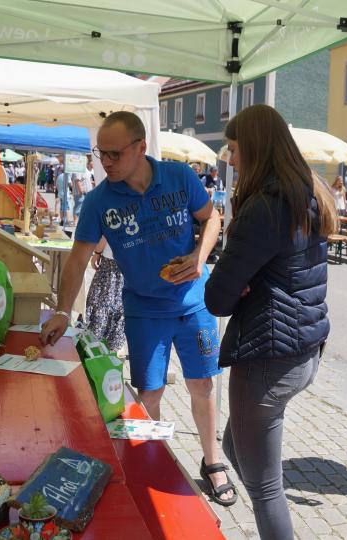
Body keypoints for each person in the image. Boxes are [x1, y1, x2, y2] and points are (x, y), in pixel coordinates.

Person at [38, 111, 233, 505]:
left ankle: (212, 462)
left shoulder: (180, 177)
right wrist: (61, 310)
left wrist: (199, 255)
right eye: (100, 154)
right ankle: (149, 466)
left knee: (202, 383)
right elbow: (76, 260)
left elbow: (212, 217)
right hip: (143, 309)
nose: (105, 162)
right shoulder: (98, 201)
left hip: (194, 302)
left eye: (114, 154)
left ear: (141, 147)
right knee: (150, 392)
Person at [204, 104, 336, 540]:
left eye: (235, 149)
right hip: (302, 350)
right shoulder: (308, 192)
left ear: (255, 149)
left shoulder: (264, 206)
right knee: (231, 448)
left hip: (267, 355)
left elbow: (218, 297)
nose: (231, 159)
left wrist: (238, 282)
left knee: (265, 489)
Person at [86, 238, 125, 352]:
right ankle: (114, 346)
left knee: (101, 302)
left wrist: (97, 253)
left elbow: (105, 235)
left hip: (110, 261)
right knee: (121, 304)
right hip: (131, 262)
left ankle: (95, 345)